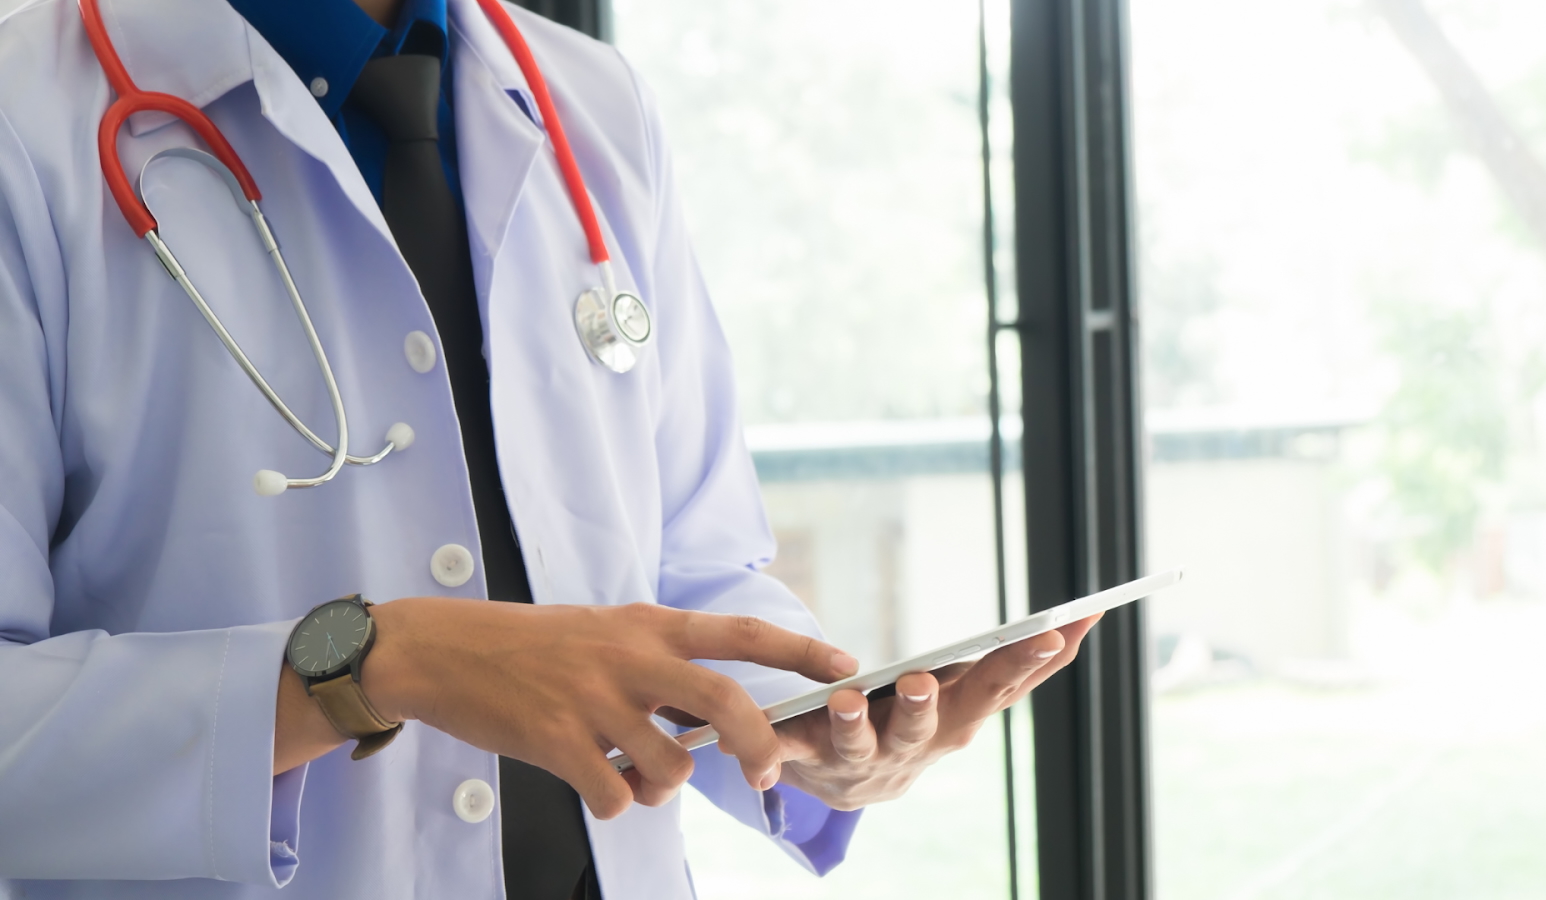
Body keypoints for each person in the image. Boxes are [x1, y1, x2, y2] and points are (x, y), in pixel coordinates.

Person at [0, 0, 1100, 897]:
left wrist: (815, 727)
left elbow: (689, 559)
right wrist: (380, 667)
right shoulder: (24, 121)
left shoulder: (592, 100)